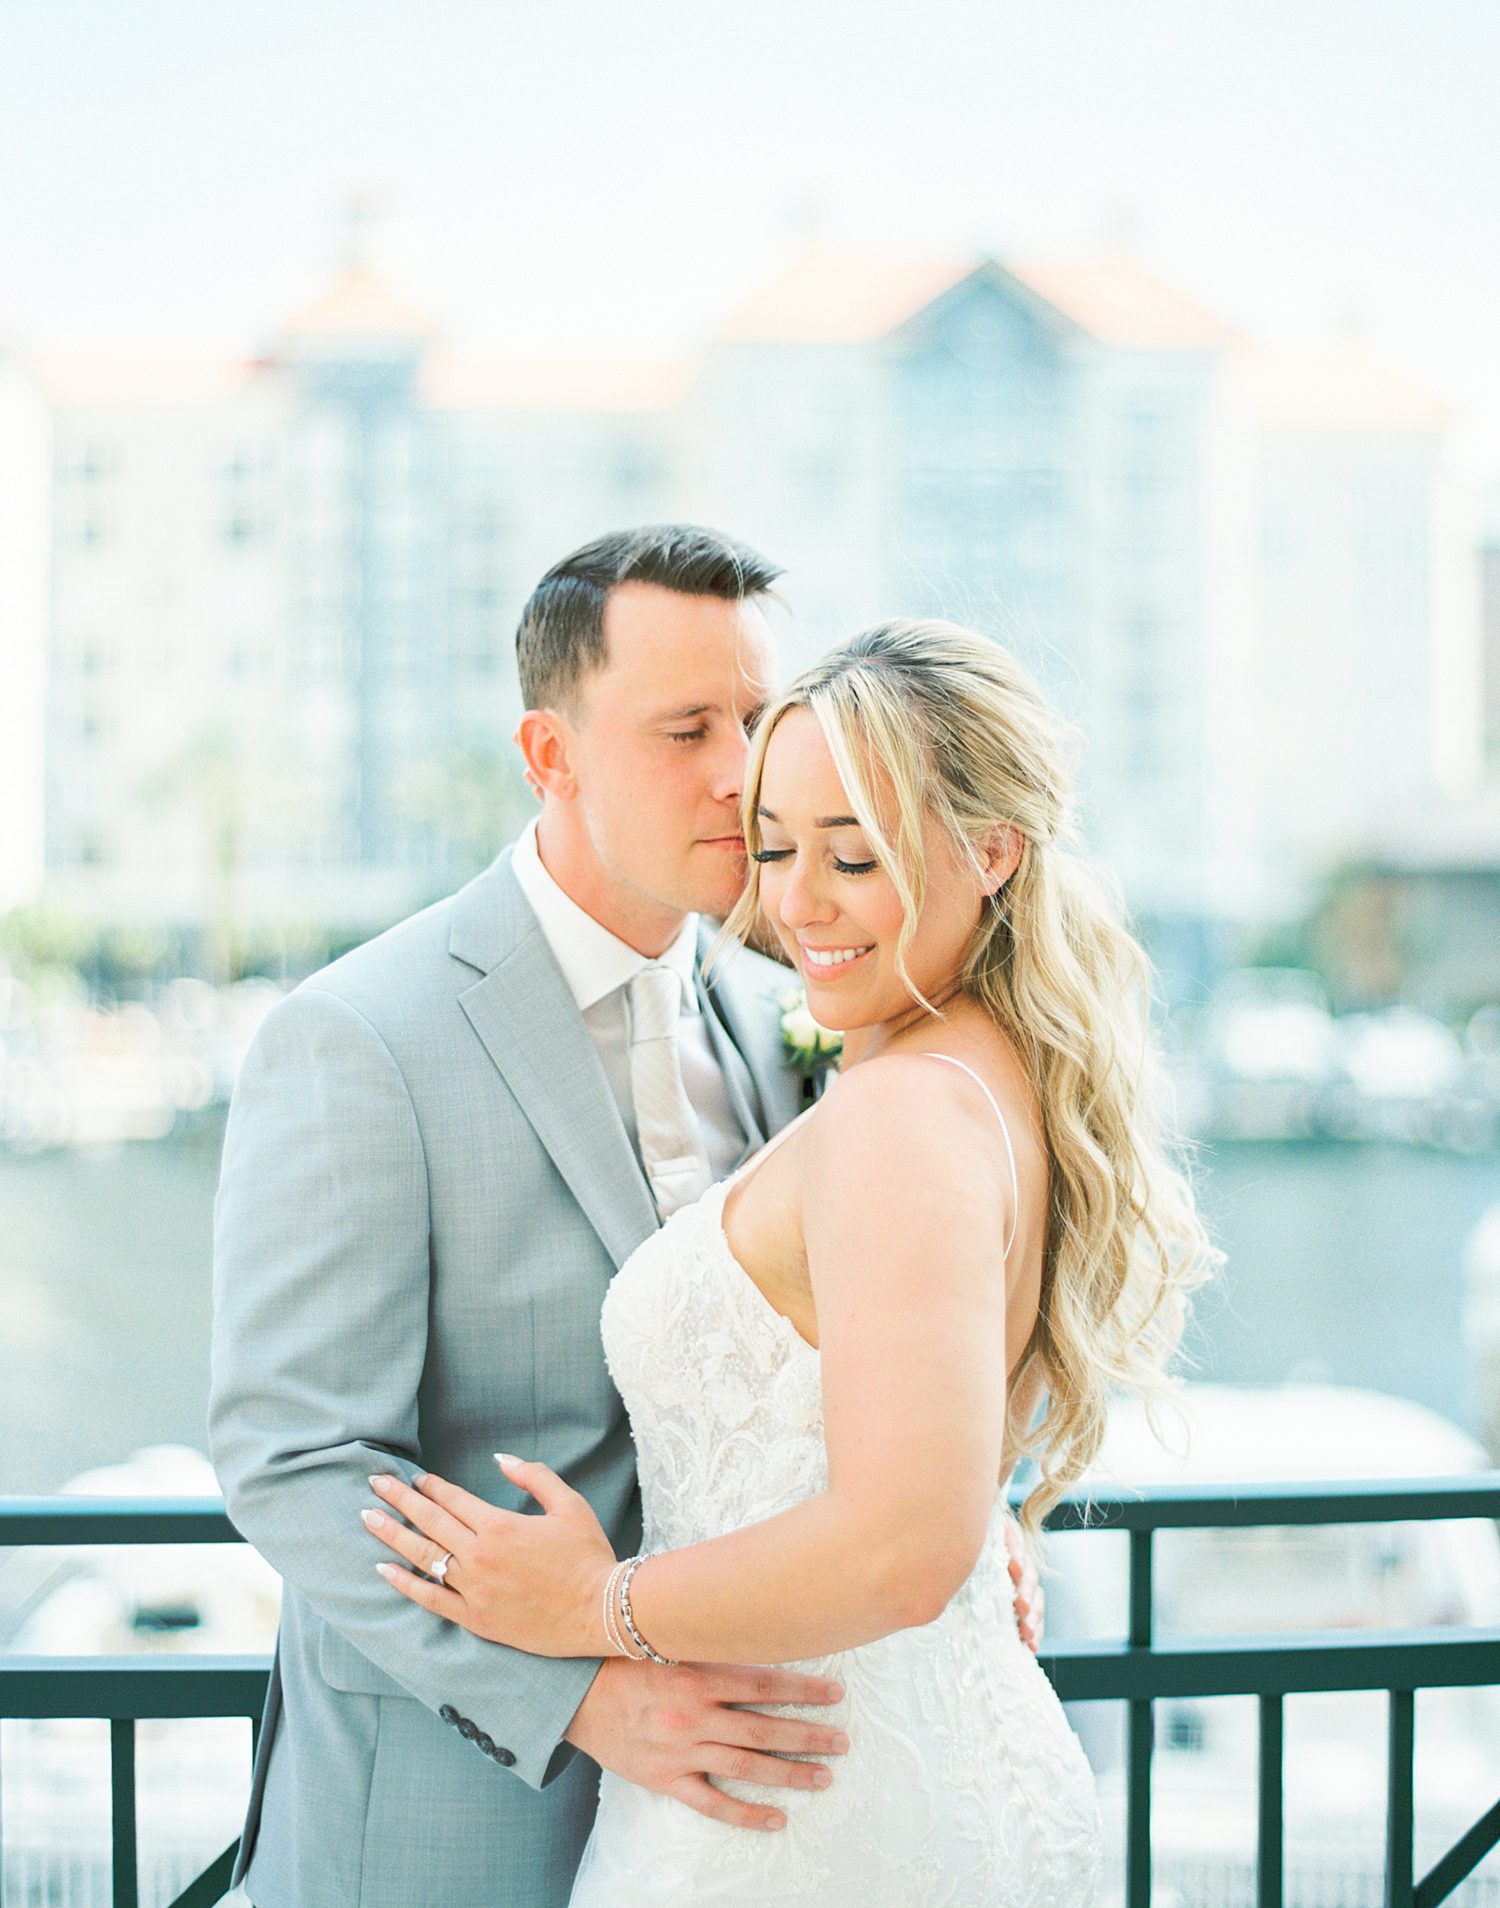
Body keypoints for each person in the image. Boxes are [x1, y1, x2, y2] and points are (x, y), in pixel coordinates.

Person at [210, 531, 1048, 1908]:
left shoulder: (781, 1001)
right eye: (685, 730)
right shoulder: (359, 1037)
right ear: (551, 756)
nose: (742, 770)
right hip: (453, 1820)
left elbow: (851, 1352)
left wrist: (973, 1518)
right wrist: (577, 1691)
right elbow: (292, 1458)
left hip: (757, 1819)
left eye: (757, 720)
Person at [364, 619, 1216, 1907]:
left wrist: (597, 1611)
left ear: (993, 851)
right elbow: (912, 1463)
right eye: (774, 848)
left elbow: (902, 1549)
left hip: (804, 1813)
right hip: (859, 1774)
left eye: (854, 856)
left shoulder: (901, 1113)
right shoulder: (972, 1072)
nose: (798, 902)